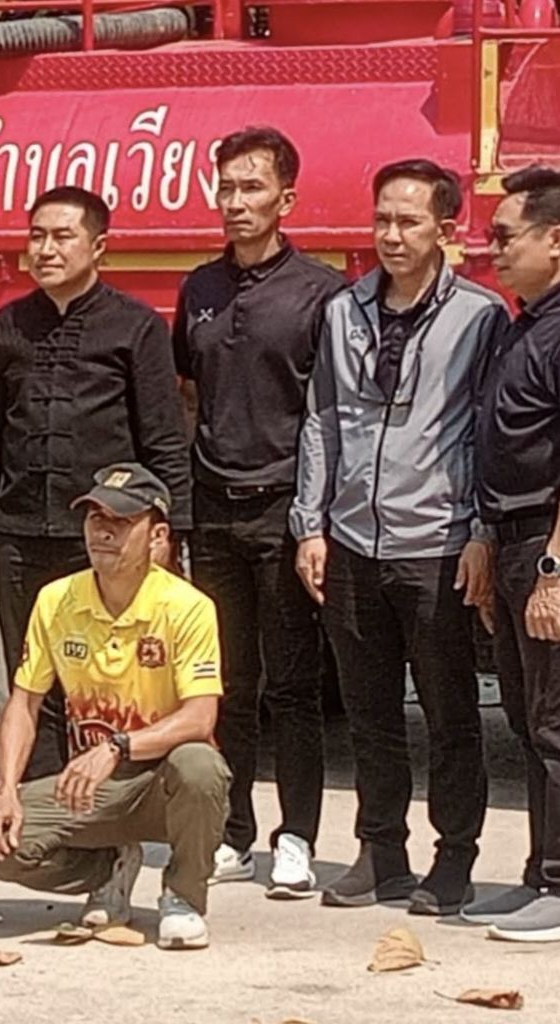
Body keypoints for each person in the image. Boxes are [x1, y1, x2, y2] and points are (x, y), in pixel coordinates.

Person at [291, 159, 505, 915]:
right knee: (370, 714)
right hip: (353, 540)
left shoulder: (479, 316)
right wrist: (311, 524)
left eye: (408, 221)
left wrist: (480, 530)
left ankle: (454, 859)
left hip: (436, 543)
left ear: (444, 228)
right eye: (382, 218)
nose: (391, 235)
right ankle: (380, 852)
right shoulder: (344, 310)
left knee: (450, 716)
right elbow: (321, 419)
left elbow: (487, 433)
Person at [0, 185, 191, 781]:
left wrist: (168, 531)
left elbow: (163, 438)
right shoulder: (9, 325)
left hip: (105, 537)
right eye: (37, 236)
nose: (46, 249)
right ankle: (40, 801)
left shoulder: (135, 326)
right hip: (19, 531)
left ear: (98, 246)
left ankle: (114, 801)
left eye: (62, 236)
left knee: (107, 676)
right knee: (31, 676)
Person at [172, 128, 344, 895]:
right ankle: (233, 833)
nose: (236, 202)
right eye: (227, 187)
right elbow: (188, 394)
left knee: (293, 687)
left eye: (252, 187)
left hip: (284, 511)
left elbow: (330, 412)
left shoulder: (320, 292)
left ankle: (296, 836)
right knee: (227, 683)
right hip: (214, 511)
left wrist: (315, 521)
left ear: (286, 198)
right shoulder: (200, 288)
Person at [0, 463, 228, 950]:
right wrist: (5, 791)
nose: (103, 531)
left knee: (201, 766)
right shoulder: (56, 599)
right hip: (89, 788)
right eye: (95, 518)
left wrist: (117, 747)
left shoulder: (188, 606)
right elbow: (24, 703)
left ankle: (183, 896)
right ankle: (109, 868)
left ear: (157, 537)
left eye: (121, 521)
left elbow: (200, 717)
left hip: (161, 783)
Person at [470, 165, 560, 942]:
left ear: (554, 239)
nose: (491, 248)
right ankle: (540, 873)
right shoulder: (521, 323)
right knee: (530, 722)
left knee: (557, 723)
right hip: (508, 540)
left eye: (505, 236)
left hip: (546, 544)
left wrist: (555, 569)